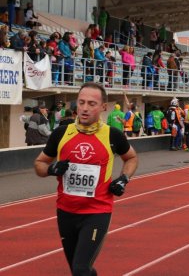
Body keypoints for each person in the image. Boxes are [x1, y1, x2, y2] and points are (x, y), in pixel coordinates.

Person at [34, 82, 138, 275]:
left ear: (103, 107)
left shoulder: (112, 135)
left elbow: (131, 157)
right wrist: (51, 169)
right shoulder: (62, 133)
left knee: (80, 269)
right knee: (79, 270)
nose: (84, 108)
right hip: (66, 211)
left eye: (91, 103)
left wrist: (124, 178)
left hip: (97, 211)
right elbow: (39, 164)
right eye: (81, 102)